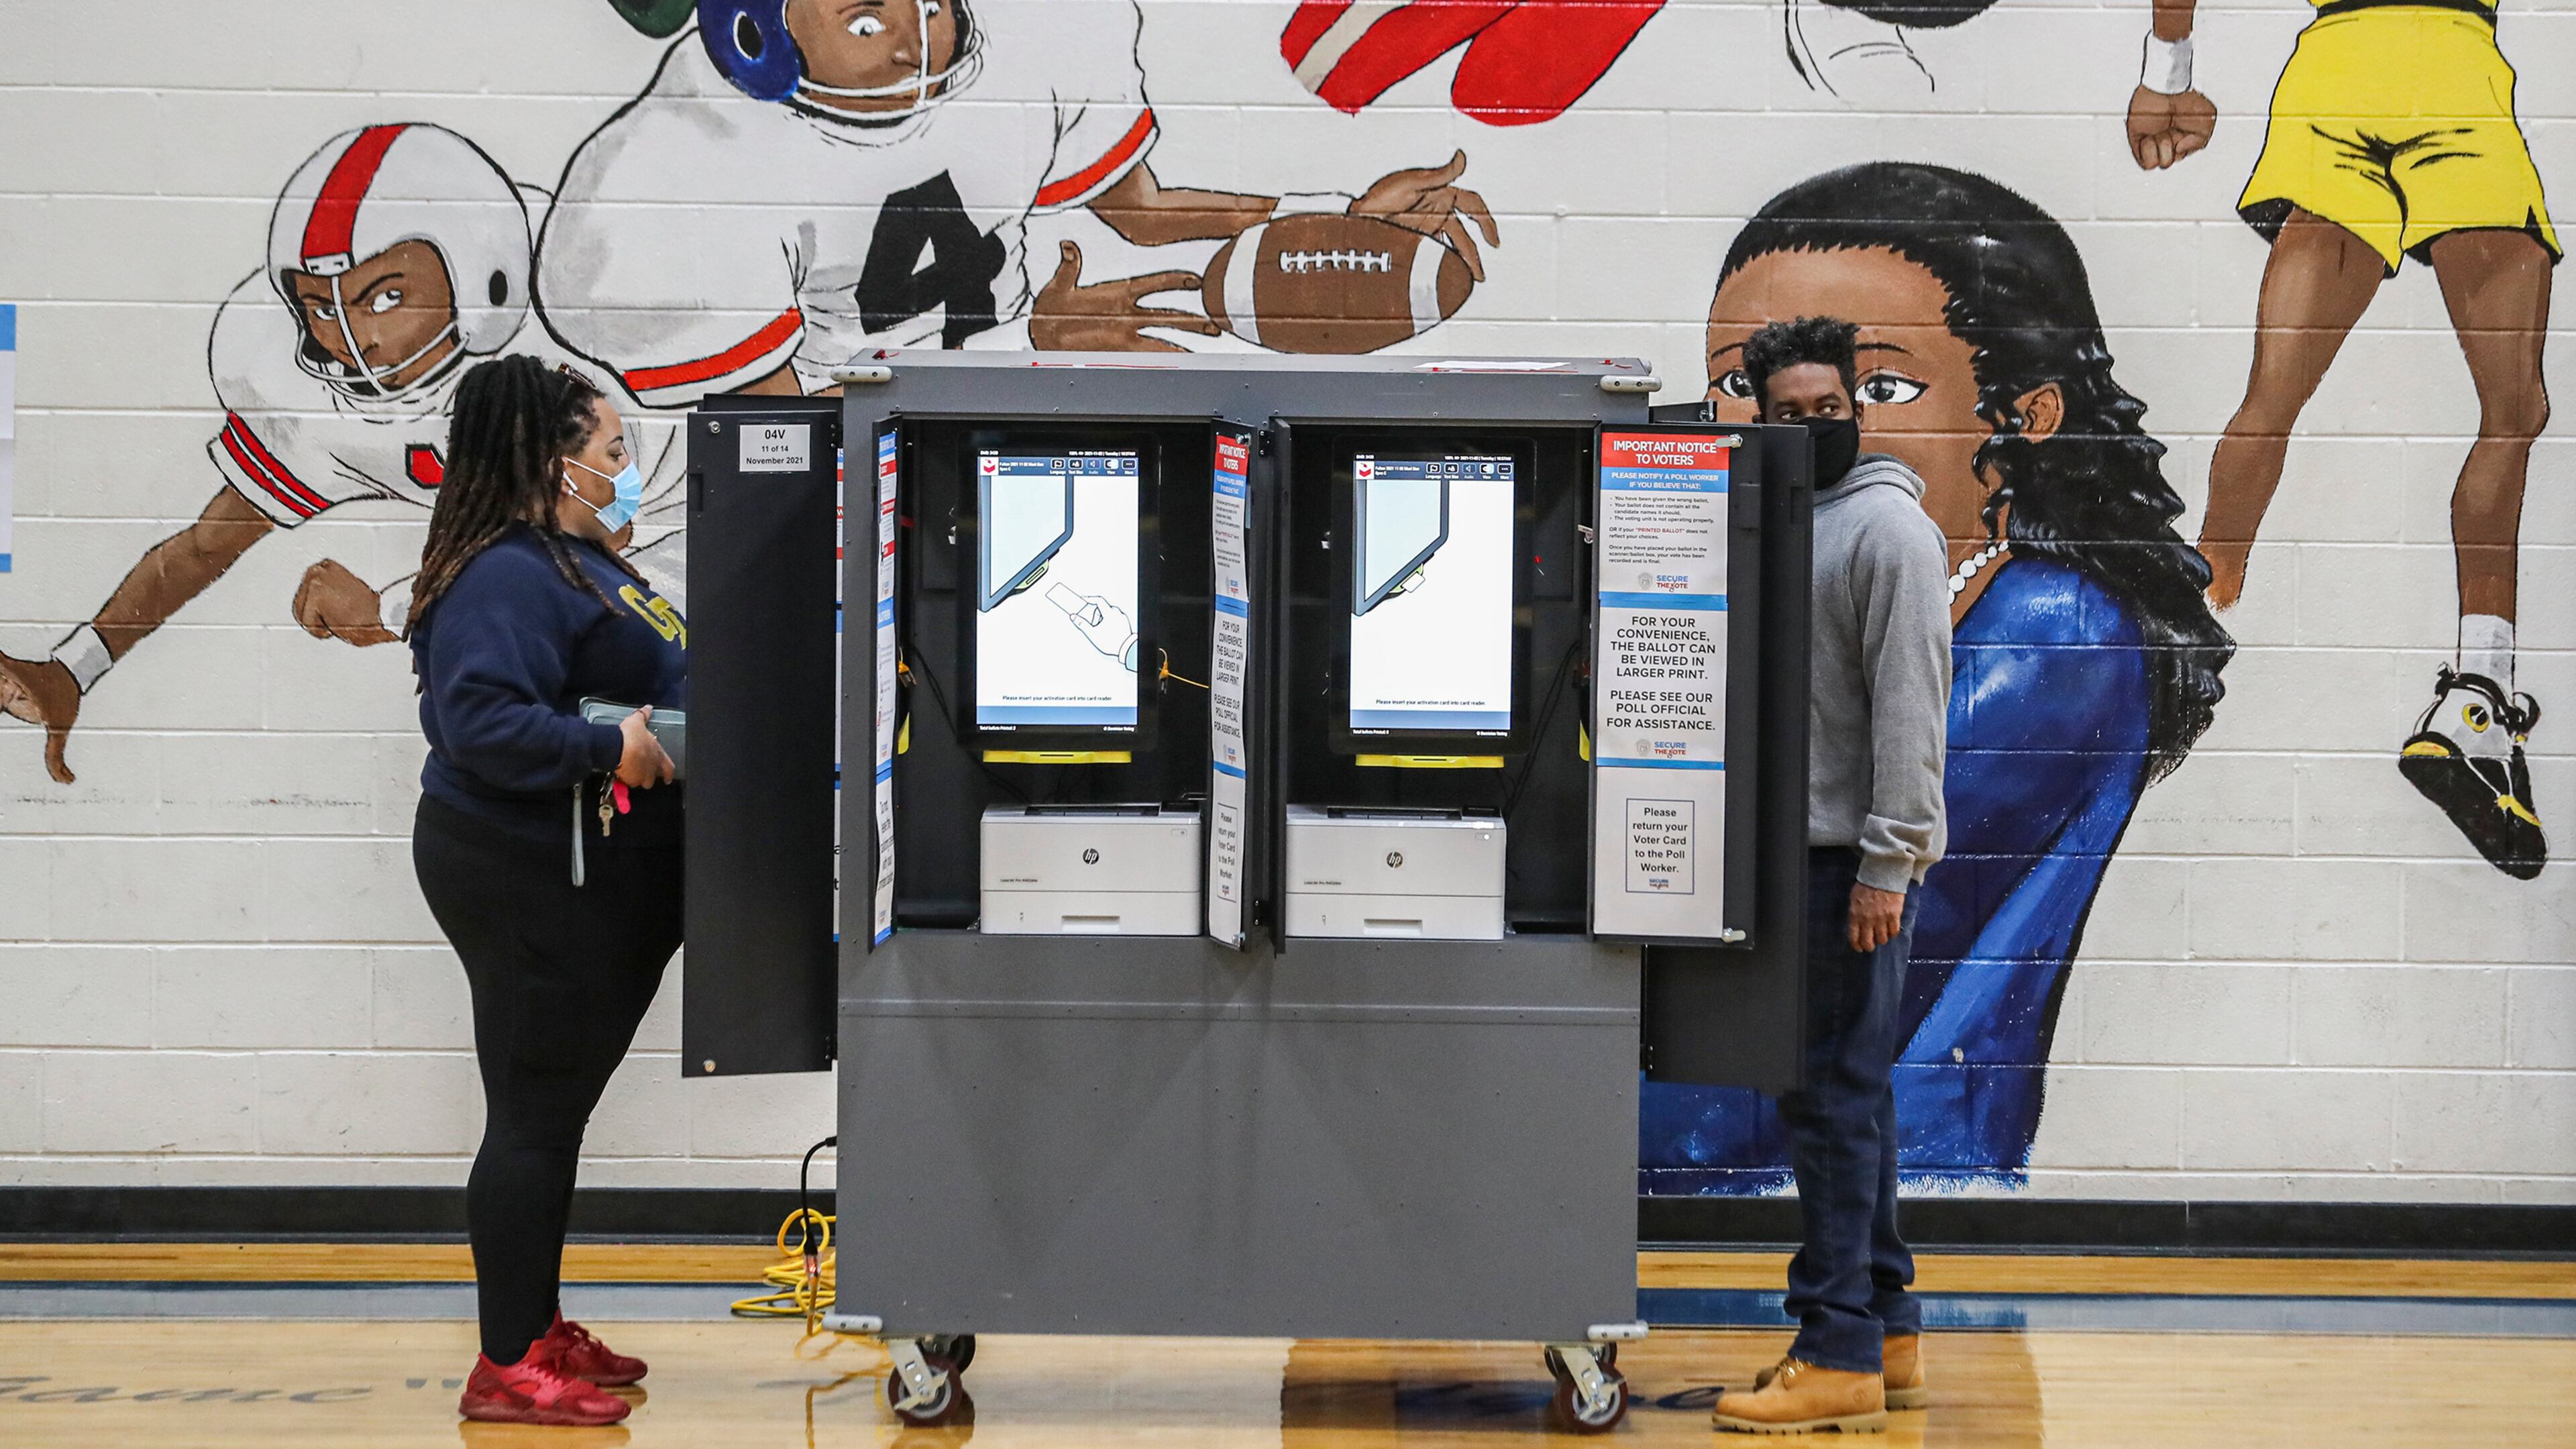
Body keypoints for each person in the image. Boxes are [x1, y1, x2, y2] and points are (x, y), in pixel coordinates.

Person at [1642, 161, 2233, 1184]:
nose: (1803, 428)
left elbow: (1824, 845)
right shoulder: (1814, 573)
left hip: (1894, 1167)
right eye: (1742, 384)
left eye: (1880, 388)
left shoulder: (2057, 634)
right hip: (1741, 1147)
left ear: (2026, 416)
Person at [0, 122, 685, 787]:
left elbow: (604, 534)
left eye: (385, 297)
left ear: (484, 272)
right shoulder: (318, 402)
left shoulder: (573, 341)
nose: (353, 339)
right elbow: (208, 545)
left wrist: (386, 611)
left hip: (682, 559)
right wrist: (75, 668)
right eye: (323, 308)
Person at [541, 0, 1500, 400]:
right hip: (848, 507)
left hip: (1003, 437)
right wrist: (1024, 350)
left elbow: (1139, 209)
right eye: (869, 18)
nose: (925, 41)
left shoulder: (1035, 27)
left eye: (934, 3)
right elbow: (783, 450)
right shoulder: (665, 176)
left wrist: (1330, 212)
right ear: (759, 37)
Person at [2128, 0, 2554, 877]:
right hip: (2453, 65)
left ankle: (2190, 629)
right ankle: (2478, 700)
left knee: (2270, 398)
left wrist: (2168, 70)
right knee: (2512, 413)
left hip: (2336, 72)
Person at [405, 356, 685, 1428]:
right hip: (522, 871)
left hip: (580, 870)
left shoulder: (574, 559)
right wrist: (607, 744)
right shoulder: (508, 575)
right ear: (553, 461)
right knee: (532, 1115)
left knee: (552, 1113)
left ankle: (536, 1319)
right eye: (613, 452)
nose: (626, 467)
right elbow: (477, 724)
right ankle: (508, 1363)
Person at [1710, 316, 1950, 1436]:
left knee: (1831, 1108)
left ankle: (1836, 1348)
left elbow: (1913, 716)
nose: (1815, 426)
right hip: (1798, 858)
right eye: (1792, 411)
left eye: (1832, 408)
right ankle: (1889, 1329)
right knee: (1851, 1098)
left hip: (1846, 869)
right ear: (1756, 411)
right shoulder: (1778, 516)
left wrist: (1888, 865)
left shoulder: (1888, 532)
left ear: (1859, 406)